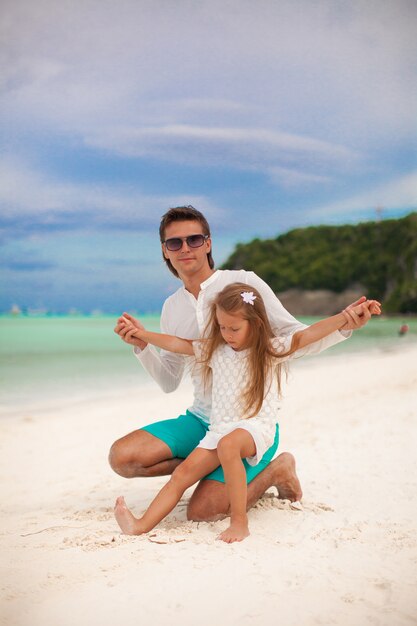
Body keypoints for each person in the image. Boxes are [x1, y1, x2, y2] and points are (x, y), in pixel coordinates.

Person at [111, 206, 375, 522]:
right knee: (122, 458)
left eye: (194, 239)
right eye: (174, 243)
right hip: (201, 420)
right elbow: (169, 381)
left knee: (203, 512)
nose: (185, 249)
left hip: (249, 424)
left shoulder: (242, 284)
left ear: (208, 244)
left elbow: (293, 337)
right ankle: (214, 465)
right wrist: (143, 347)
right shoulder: (171, 307)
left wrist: (344, 324)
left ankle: (276, 469)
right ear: (164, 251)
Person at [114, 283, 381, 541]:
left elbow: (306, 335)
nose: (227, 334)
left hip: (255, 427)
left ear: (254, 323)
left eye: (234, 328)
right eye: (221, 327)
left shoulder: (269, 349)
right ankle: (140, 526)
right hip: (219, 430)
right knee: (182, 474)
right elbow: (176, 343)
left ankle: (240, 523)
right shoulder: (215, 350)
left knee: (229, 446)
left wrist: (345, 318)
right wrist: (142, 336)